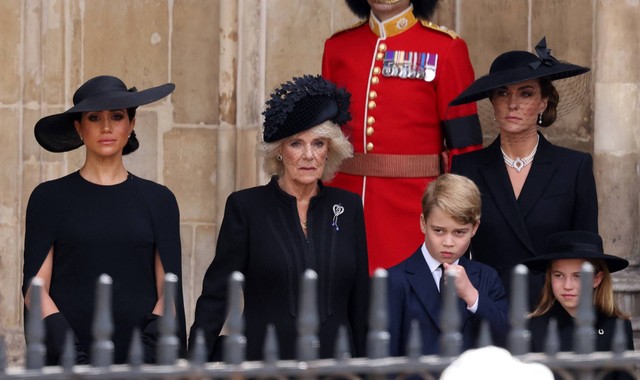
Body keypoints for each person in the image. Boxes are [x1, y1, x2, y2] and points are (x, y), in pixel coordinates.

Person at [188, 75, 369, 361]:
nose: (308, 155)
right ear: (280, 152)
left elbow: (361, 301)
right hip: (266, 364)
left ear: (330, 150)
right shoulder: (246, 207)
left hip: (337, 366)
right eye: (297, 144)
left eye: (318, 144)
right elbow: (217, 294)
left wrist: (366, 368)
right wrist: (194, 362)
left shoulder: (348, 207)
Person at [22, 75, 186, 364]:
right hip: (69, 362)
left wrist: (144, 358)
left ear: (131, 125)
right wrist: (74, 358)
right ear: (79, 128)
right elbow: (35, 291)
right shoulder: (49, 198)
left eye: (117, 116)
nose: (107, 127)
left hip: (141, 363)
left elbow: (170, 292)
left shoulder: (159, 201)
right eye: (95, 117)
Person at [322, 0, 483, 274]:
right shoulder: (338, 47)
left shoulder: (446, 48)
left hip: (413, 210)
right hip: (342, 204)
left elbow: (465, 148)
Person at [450, 37, 597, 307]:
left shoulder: (574, 167)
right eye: (503, 93)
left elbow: (586, 255)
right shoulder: (466, 168)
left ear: (543, 102)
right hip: (486, 307)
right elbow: (452, 248)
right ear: (492, 102)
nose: (513, 104)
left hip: (552, 309)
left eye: (526, 93)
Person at [387, 174, 508, 356]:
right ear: (423, 223)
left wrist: (472, 296)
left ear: (474, 228)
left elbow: (507, 339)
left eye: (459, 232)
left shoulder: (487, 277)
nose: (448, 242)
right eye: (439, 231)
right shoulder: (395, 280)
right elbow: (385, 357)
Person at [523, 231, 635, 380]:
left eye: (578, 276)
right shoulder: (532, 326)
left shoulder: (616, 326)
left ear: (597, 278)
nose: (567, 285)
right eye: (559, 275)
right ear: (549, 277)